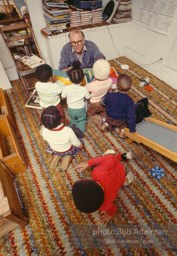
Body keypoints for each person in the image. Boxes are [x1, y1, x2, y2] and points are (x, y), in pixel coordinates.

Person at [72, 150, 133, 223]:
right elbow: (111, 159)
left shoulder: (104, 206)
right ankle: (122, 156)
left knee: (121, 180)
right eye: (83, 180)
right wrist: (88, 163)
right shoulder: (98, 172)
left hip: (120, 179)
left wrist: (109, 215)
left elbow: (113, 208)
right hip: (118, 168)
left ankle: (127, 179)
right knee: (109, 156)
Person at [40, 106, 83, 171]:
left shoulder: (43, 130)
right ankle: (68, 158)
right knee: (80, 142)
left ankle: (57, 156)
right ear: (61, 119)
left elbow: (43, 136)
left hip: (54, 149)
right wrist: (80, 145)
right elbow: (75, 142)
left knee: (58, 150)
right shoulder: (68, 130)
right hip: (67, 149)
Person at [61, 61, 90, 138]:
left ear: (70, 79)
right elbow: (88, 98)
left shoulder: (66, 88)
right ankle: (80, 130)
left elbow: (62, 97)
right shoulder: (84, 89)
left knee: (73, 119)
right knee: (82, 120)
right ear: (82, 80)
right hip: (81, 109)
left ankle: (72, 126)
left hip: (71, 109)